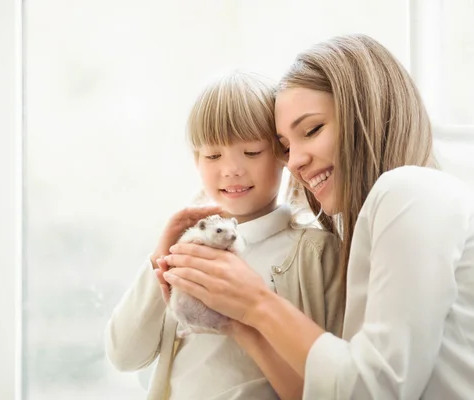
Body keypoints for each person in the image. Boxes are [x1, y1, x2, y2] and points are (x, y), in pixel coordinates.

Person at [161, 34, 474, 399]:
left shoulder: (410, 189)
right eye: (287, 147)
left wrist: (257, 303)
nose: (294, 161)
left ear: (367, 111)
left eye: (312, 130)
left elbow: (374, 390)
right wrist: (240, 322)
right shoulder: (387, 218)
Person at [105, 70, 345, 400]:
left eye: (251, 152)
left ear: (282, 155)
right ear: (196, 160)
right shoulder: (184, 251)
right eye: (213, 155)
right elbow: (125, 355)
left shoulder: (315, 253)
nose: (231, 169)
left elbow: (333, 380)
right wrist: (160, 259)